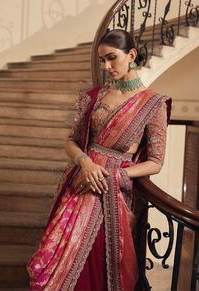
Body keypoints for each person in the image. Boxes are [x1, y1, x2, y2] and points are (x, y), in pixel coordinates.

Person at [27, 29, 171, 291]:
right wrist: (85, 162)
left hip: (110, 189)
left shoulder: (153, 104)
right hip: (80, 181)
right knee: (58, 259)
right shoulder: (94, 97)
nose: (106, 67)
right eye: (102, 60)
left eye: (112, 58)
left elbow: (156, 162)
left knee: (97, 264)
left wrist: (115, 176)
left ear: (131, 55)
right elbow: (71, 141)